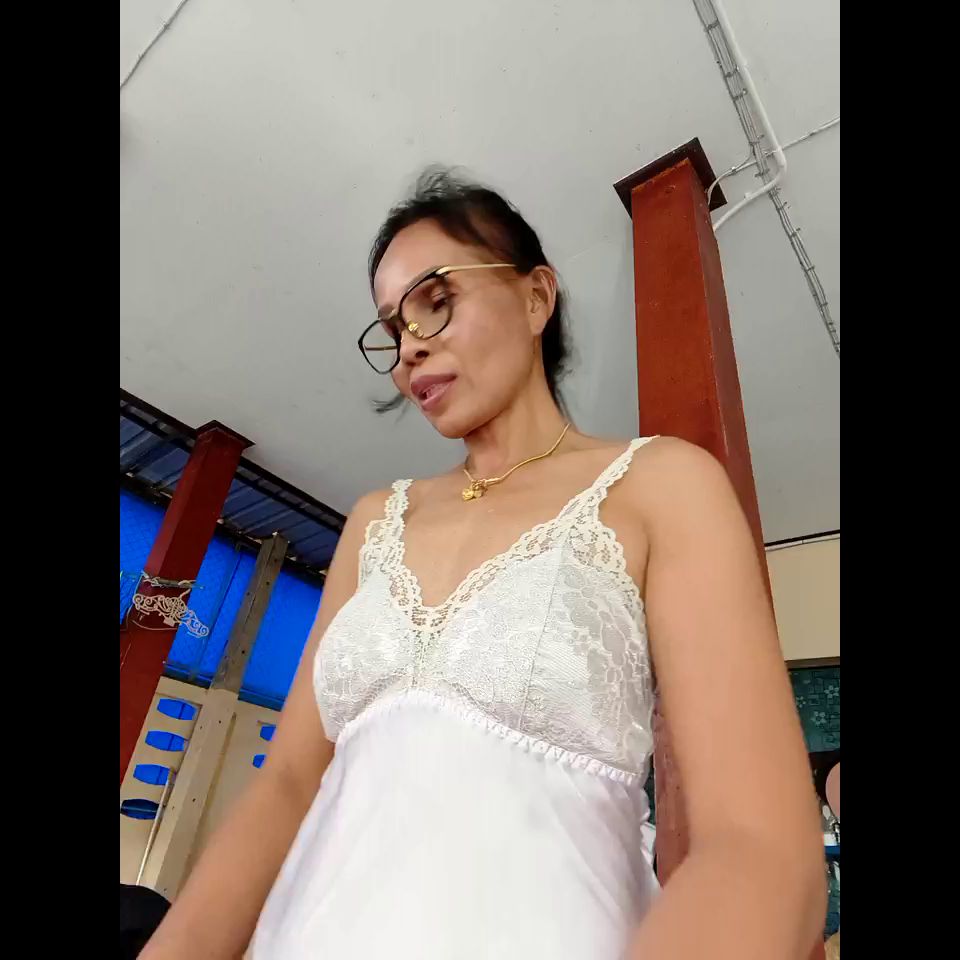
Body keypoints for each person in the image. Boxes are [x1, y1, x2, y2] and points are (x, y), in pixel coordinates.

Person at [143, 169, 824, 960]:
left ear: (536, 298)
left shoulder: (659, 485)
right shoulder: (374, 522)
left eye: (435, 300)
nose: (409, 349)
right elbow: (289, 782)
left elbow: (757, 845)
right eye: (392, 329)